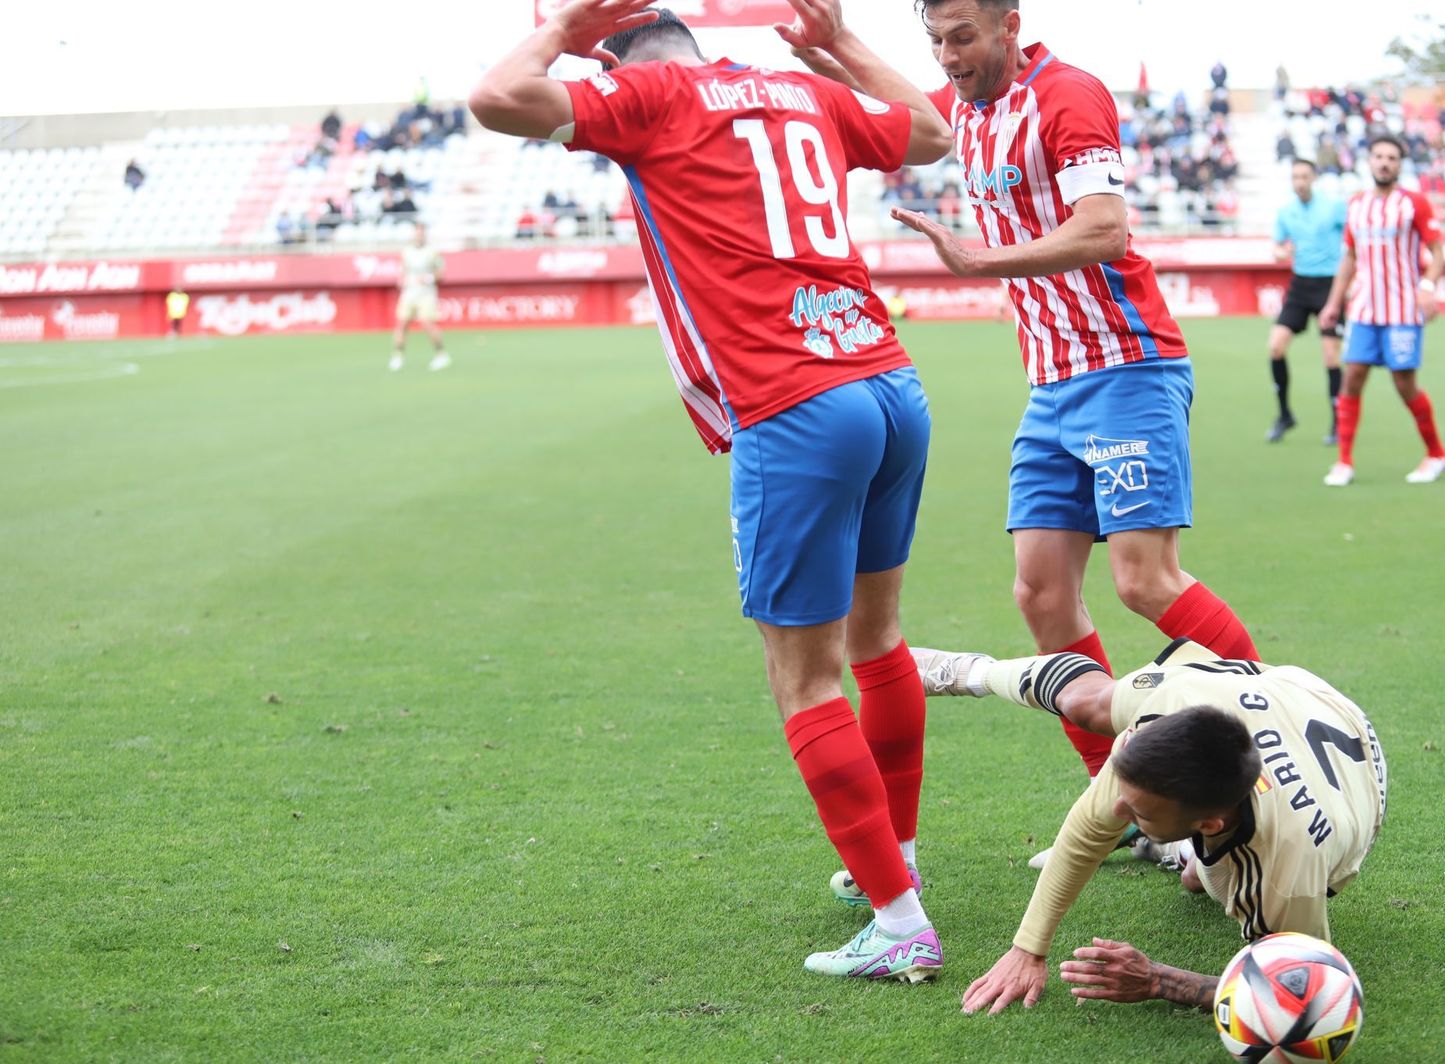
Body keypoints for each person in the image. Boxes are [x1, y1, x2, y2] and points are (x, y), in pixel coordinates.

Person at [469, 0, 956, 981]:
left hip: (797, 404)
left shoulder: (646, 93)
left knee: (804, 675)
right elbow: (936, 132)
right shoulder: (796, 88)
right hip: (889, 381)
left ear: (616, 58)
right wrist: (840, 48)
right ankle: (888, 862)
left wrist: (561, 29)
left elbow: (494, 98)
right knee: (877, 640)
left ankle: (900, 919)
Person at [796, 0, 1259, 816]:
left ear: (1010, 23)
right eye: (935, 40)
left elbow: (1106, 228)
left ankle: (1266, 752)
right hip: (1050, 386)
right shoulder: (973, 107)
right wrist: (834, 45)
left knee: (1144, 580)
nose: (947, 56)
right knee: (1041, 597)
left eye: (963, 36)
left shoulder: (1065, 95)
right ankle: (1122, 803)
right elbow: (907, 104)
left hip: (1126, 366)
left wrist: (986, 261)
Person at [912, 638, 1385, 1014]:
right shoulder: (1165, 716)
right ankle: (969, 671)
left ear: (1208, 822)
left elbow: (1298, 991)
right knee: (1090, 704)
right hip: (1273, 693)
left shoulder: (1286, 873)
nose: (1118, 813)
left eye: (1136, 813)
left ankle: (1182, 853)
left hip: (1352, 764)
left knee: (1207, 884)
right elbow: (1085, 833)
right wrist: (1027, 949)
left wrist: (1160, 980)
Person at [1318, 135, 1445, 486]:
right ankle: (1344, 462)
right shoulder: (1357, 205)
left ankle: (1437, 454)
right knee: (1351, 378)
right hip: (1363, 309)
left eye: (1391, 157)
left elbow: (1438, 254)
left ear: (1400, 164)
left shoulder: (1414, 204)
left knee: (1404, 384)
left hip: (1403, 311)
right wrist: (1334, 303)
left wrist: (1427, 287)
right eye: (1378, 156)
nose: (1384, 162)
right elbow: (1349, 257)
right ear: (1369, 161)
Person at [1267, 159, 1346, 445]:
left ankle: (1339, 422)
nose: (1299, 181)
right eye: (1295, 177)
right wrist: (1280, 252)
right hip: (1300, 285)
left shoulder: (1334, 207)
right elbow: (1277, 245)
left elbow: (1352, 237)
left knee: (1331, 356)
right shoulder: (1286, 211)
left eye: (1304, 176)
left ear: (1314, 178)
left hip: (1330, 286)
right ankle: (1284, 414)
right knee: (1276, 346)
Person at [390, 223, 450, 372]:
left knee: (427, 323)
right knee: (402, 323)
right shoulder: (406, 251)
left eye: (421, 232)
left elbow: (441, 274)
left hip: (426, 293)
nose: (419, 235)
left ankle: (441, 354)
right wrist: (401, 280)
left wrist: (428, 278)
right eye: (417, 232)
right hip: (409, 293)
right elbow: (403, 271)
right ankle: (398, 355)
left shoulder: (433, 252)